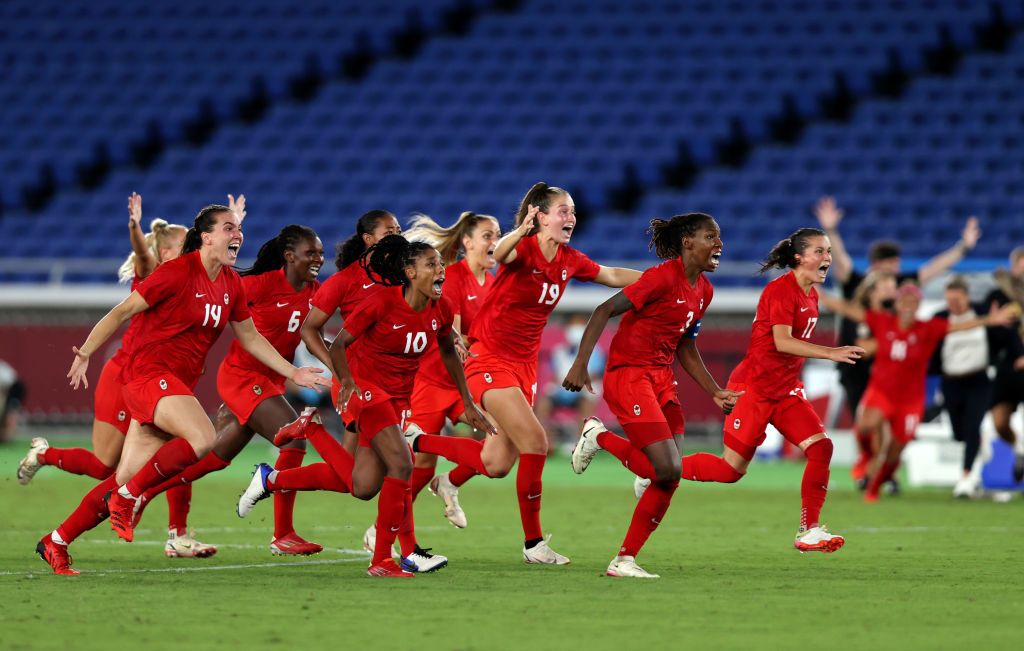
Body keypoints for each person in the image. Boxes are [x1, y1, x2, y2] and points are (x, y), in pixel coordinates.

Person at [37, 204, 328, 575]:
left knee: (121, 477)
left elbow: (251, 337)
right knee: (202, 438)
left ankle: (56, 541)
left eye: (238, 229)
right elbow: (122, 311)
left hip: (173, 385)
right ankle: (129, 499)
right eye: (227, 228)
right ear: (206, 238)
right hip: (146, 376)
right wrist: (86, 353)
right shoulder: (176, 272)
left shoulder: (231, 283)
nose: (237, 235)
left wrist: (293, 372)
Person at [405, 181, 641, 565]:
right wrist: (522, 229)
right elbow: (501, 252)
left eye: (573, 211)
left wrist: (661, 279)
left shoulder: (569, 259)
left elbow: (610, 274)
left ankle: (425, 449)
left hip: (523, 368)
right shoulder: (523, 251)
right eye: (563, 211)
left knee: (497, 463)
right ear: (540, 216)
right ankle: (534, 544)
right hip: (489, 361)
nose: (571, 218)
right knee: (536, 442)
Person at [240, 235, 495, 577]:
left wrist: (468, 401)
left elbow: (448, 347)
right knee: (402, 465)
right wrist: (345, 381)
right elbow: (341, 342)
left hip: (400, 396)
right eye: (431, 264)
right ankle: (384, 560)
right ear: (409, 271)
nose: (440, 270)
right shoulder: (382, 303)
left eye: (440, 264)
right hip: (367, 390)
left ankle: (289, 458)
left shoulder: (441, 308)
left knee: (362, 486)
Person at [16, 192, 219, 558]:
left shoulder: (196, 278)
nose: (190, 248)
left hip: (165, 380)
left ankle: (171, 532)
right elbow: (142, 259)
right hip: (131, 376)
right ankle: (45, 455)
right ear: (163, 253)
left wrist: (229, 231)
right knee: (104, 465)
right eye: (180, 244)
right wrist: (135, 228)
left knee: (176, 448)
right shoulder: (157, 272)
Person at [127, 225, 330, 556]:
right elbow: (218, 297)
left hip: (270, 382)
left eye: (321, 253)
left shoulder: (313, 291)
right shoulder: (258, 285)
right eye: (312, 253)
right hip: (243, 376)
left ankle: (143, 493)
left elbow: (313, 335)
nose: (319, 259)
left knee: (214, 459)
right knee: (295, 438)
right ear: (290, 257)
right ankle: (283, 534)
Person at [562, 213, 740, 578]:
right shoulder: (660, 278)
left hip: (661, 379)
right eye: (711, 236)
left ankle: (624, 559)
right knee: (667, 468)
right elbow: (604, 309)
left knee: (667, 476)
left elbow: (686, 347)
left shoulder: (704, 291)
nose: (719, 244)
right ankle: (597, 435)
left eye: (719, 237)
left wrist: (714, 392)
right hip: (629, 376)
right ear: (688, 242)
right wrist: (581, 364)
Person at [678, 228, 865, 552]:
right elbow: (781, 341)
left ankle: (808, 529)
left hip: (785, 391)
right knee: (730, 470)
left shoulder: (812, 295)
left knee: (821, 448)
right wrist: (830, 352)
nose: (827, 258)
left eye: (828, 252)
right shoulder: (780, 291)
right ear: (799, 258)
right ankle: (660, 468)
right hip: (754, 389)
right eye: (819, 252)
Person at [821, 281, 1014, 502]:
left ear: (918, 305)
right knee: (864, 427)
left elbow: (958, 327)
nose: (908, 306)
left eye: (913, 302)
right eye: (904, 301)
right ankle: (866, 458)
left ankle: (874, 487)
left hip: (910, 400)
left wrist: (990, 320)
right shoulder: (884, 322)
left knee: (895, 450)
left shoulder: (927, 328)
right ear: (898, 303)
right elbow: (852, 312)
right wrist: (824, 297)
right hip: (881, 391)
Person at [814, 197, 981, 449]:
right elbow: (842, 259)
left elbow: (933, 268)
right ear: (877, 265)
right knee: (864, 419)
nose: (897, 269)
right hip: (852, 363)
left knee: (883, 419)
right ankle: (868, 464)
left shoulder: (900, 289)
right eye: (892, 264)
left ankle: (879, 471)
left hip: (885, 364)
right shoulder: (855, 282)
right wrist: (832, 231)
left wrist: (963, 248)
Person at [402, 211, 500, 529]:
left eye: (498, 235)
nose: (495, 242)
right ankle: (383, 527)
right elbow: (454, 339)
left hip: (464, 383)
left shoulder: (494, 284)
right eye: (488, 235)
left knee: (501, 437)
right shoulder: (452, 278)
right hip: (431, 380)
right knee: (422, 466)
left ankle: (451, 482)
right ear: (467, 242)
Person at [931, 276, 1024, 497]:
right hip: (951, 380)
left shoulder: (983, 312)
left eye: (957, 300)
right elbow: (929, 345)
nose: (954, 304)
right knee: (959, 433)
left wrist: (1019, 354)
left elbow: (1006, 333)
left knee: (973, 426)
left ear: (966, 297)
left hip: (978, 380)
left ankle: (965, 479)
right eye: (950, 300)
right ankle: (979, 446)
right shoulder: (940, 318)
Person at [534, 313, 606, 450]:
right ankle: (545, 443)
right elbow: (555, 376)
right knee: (543, 403)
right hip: (562, 389)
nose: (575, 329)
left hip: (583, 391)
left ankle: (580, 445)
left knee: (586, 404)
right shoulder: (558, 351)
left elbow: (594, 375)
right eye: (573, 326)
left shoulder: (595, 351)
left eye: (579, 326)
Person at [985, 246, 1024, 482]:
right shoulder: (999, 295)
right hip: (1009, 366)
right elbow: (992, 329)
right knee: (999, 422)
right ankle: (1019, 448)